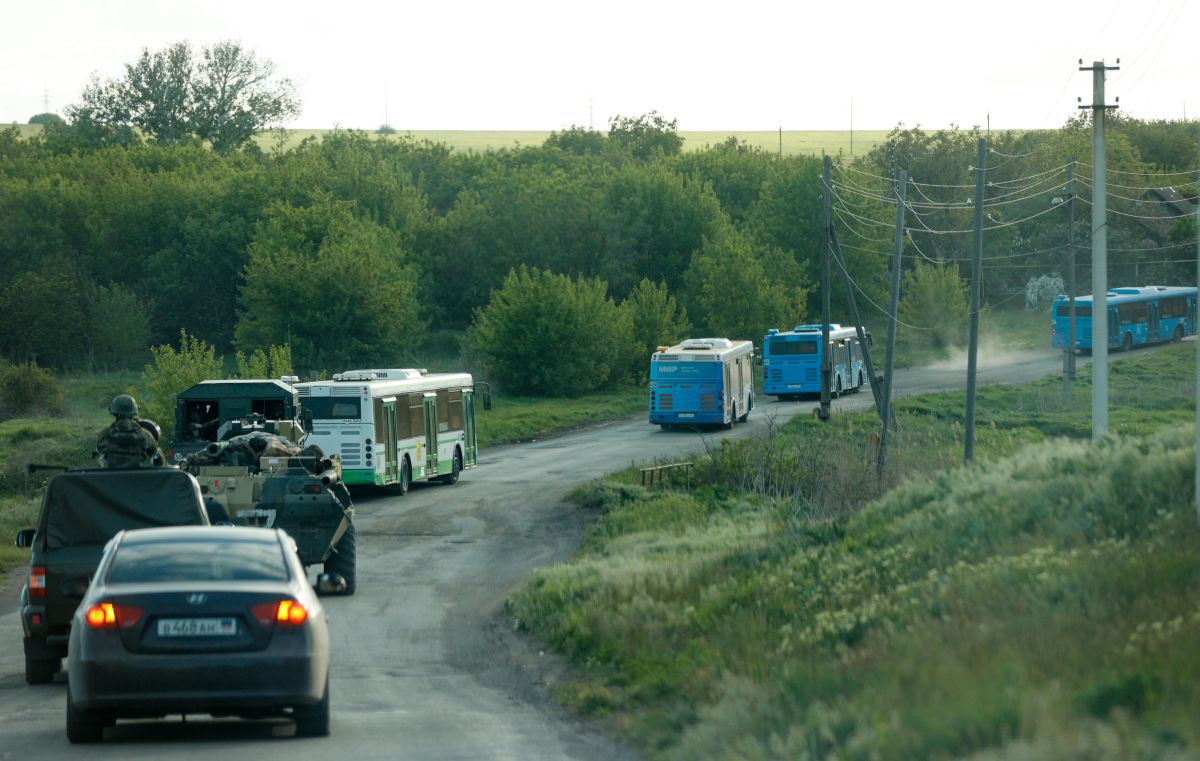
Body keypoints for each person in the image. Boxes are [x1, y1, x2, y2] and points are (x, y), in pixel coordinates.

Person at [94, 394, 164, 468]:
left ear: (114, 412)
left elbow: (97, 453)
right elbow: (158, 460)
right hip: (135, 478)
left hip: (110, 478)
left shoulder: (105, 433)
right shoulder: (144, 435)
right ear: (134, 412)